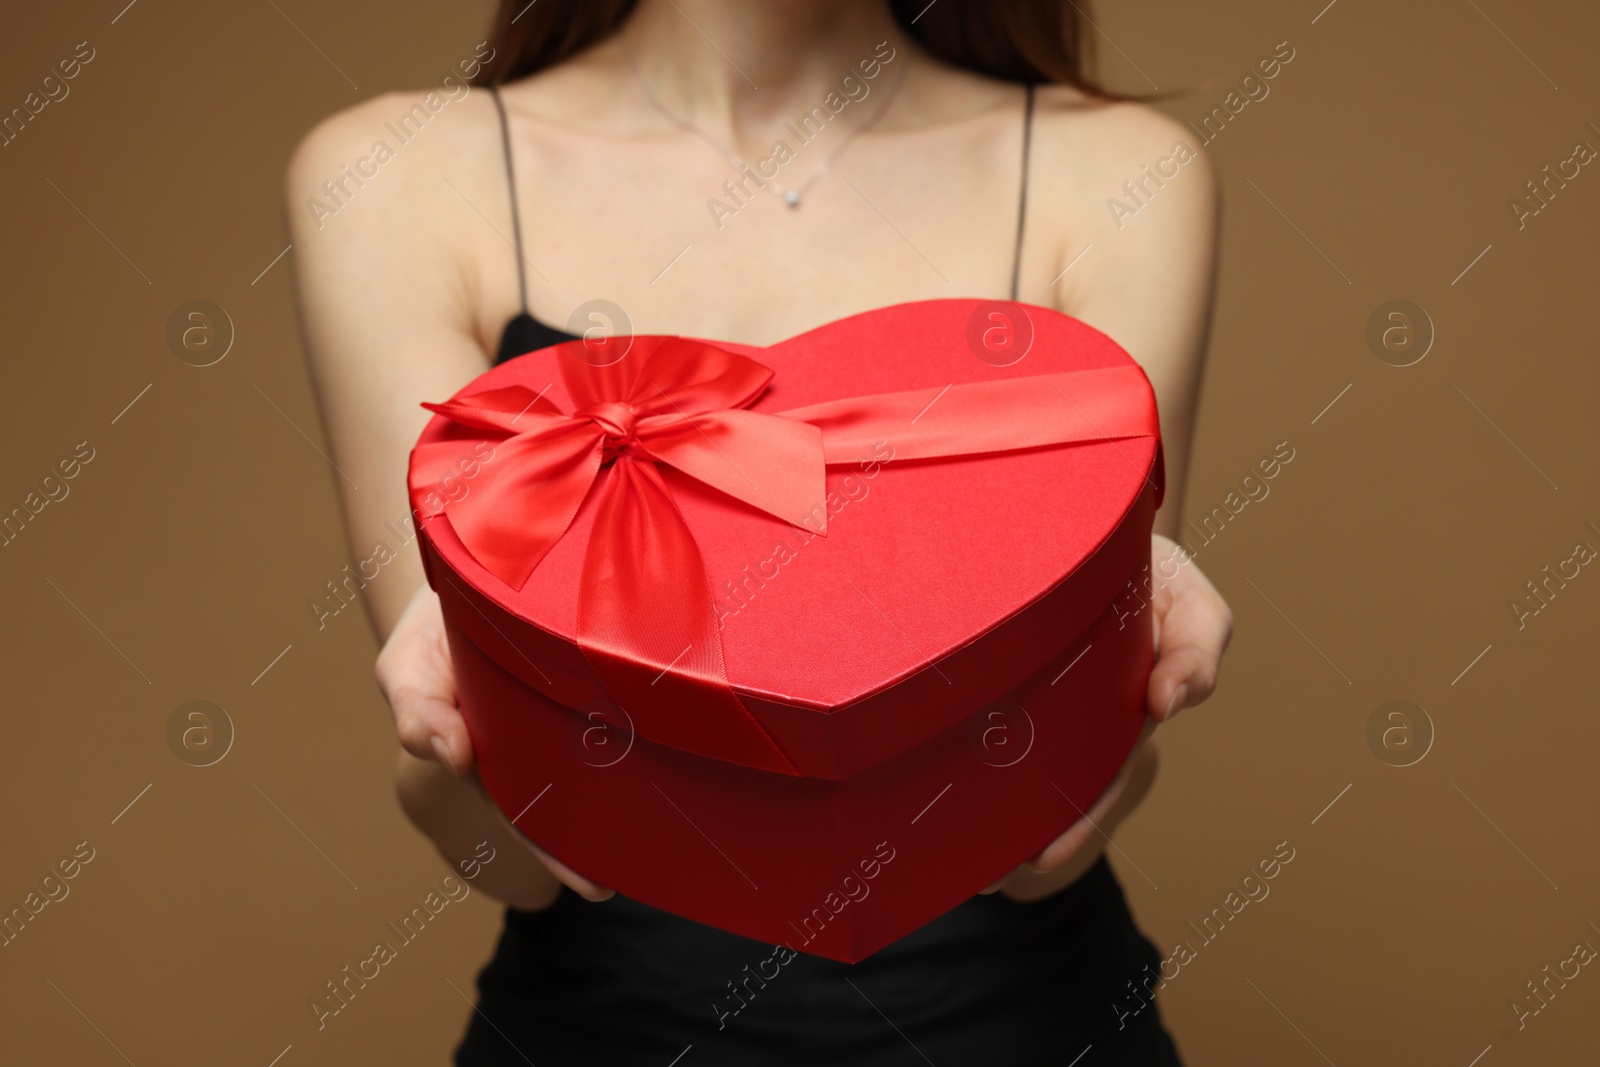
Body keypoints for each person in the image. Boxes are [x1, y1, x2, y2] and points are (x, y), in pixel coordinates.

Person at [286, 1, 1232, 1062]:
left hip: (1027, 1028)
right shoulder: (391, 177)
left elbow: (1057, 831)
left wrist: (1107, 709)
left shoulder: (1116, 173)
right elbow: (493, 832)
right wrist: (465, 754)